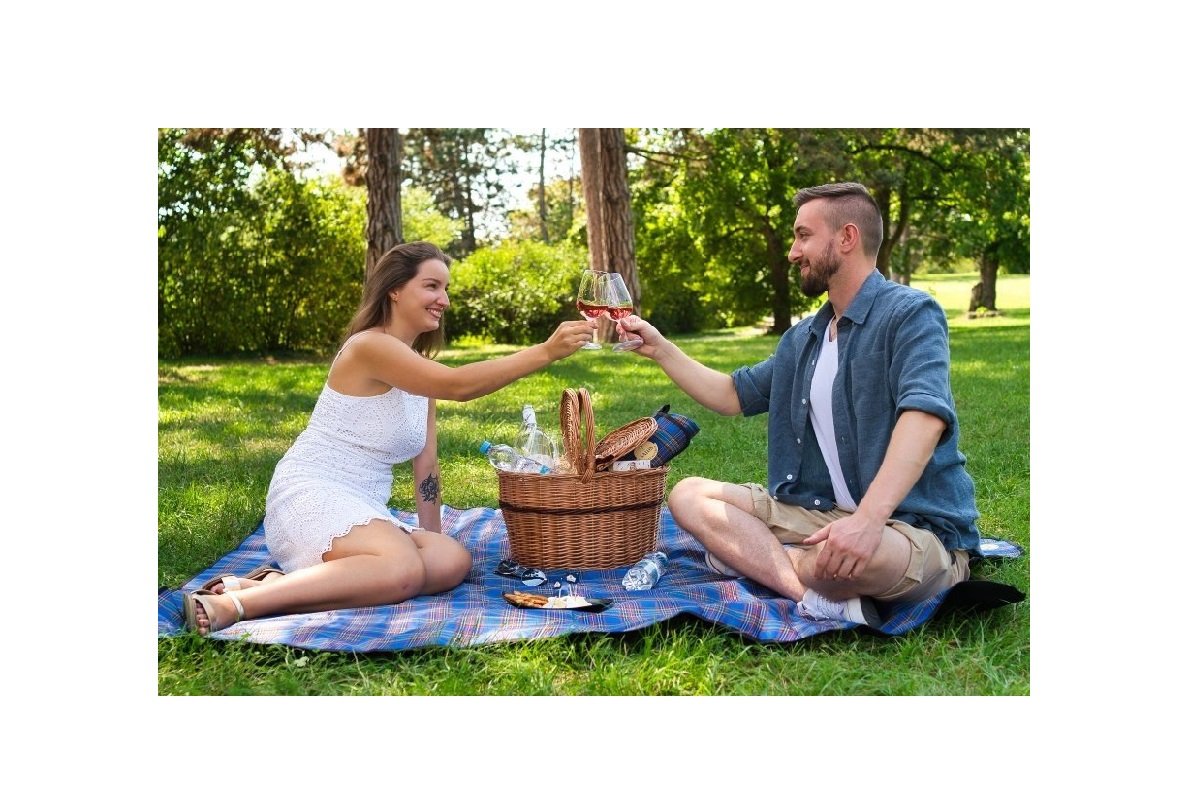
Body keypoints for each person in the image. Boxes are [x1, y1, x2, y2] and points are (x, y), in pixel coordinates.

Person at [183, 241, 598, 635]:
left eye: (446, 289)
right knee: (403, 569)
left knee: (450, 560)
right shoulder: (369, 346)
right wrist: (545, 352)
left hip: (363, 505)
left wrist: (432, 536)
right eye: (431, 286)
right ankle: (236, 604)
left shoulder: (418, 368)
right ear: (395, 290)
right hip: (312, 491)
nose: (444, 299)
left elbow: (426, 466)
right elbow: (458, 385)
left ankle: (273, 584)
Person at [620, 182, 981, 626]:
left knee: (856, 561)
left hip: (911, 528)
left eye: (803, 236)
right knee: (689, 495)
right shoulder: (803, 338)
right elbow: (732, 395)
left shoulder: (910, 314)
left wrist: (868, 521)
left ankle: (752, 558)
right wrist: (659, 348)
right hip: (823, 513)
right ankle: (808, 594)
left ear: (847, 238)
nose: (793, 252)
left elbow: (924, 417)